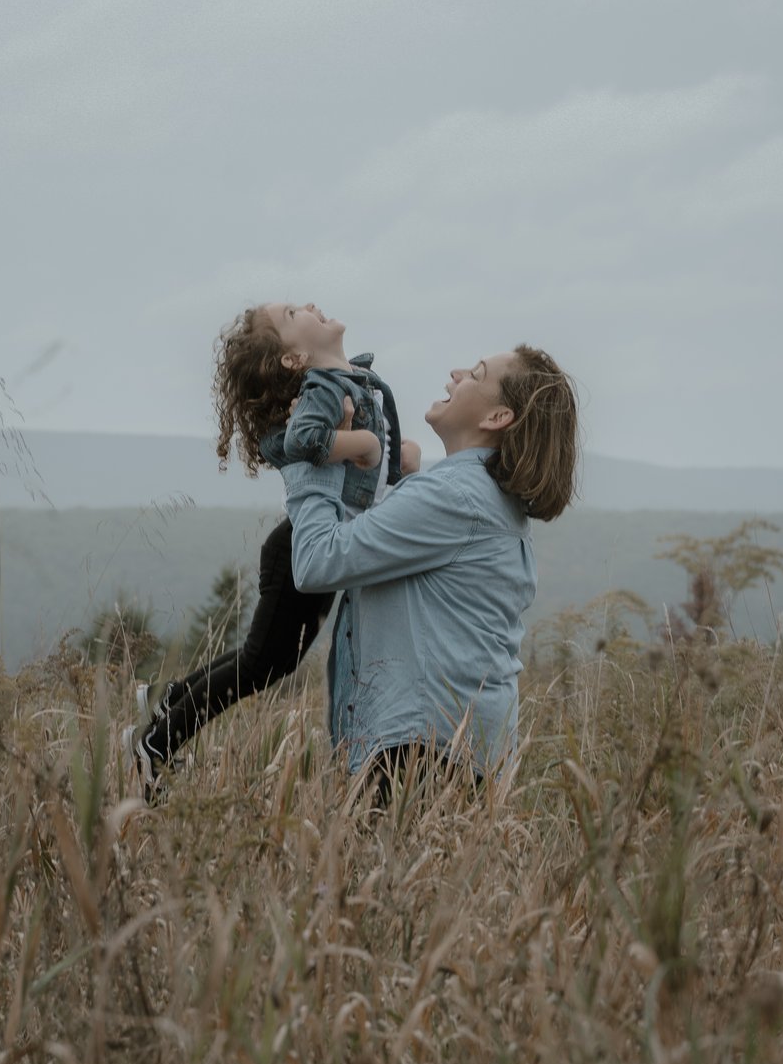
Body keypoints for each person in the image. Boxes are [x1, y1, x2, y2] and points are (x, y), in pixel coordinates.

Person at [126, 301, 418, 791]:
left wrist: (397, 460)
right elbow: (301, 442)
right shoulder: (324, 389)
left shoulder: (353, 380)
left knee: (265, 657)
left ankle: (165, 699)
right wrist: (366, 444)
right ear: (293, 358)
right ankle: (158, 741)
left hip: (310, 545)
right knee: (264, 661)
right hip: (302, 550)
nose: (308, 305)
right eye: (291, 315)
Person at [280, 345, 577, 802]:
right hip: (454, 752)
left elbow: (319, 560)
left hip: (421, 757)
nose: (456, 374)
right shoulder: (478, 496)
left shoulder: (455, 496)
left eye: (475, 374)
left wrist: (309, 456)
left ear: (498, 417)